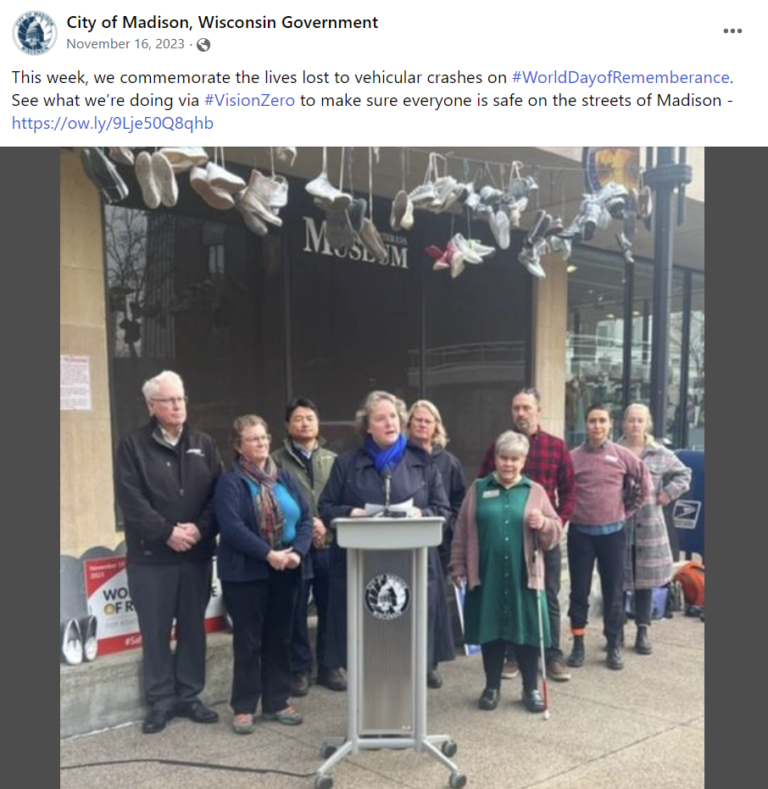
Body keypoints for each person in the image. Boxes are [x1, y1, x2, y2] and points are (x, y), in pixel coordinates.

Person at [318, 391, 455, 684]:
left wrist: (422, 514)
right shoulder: (346, 463)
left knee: (411, 637)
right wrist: (350, 512)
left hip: (413, 566)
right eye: (381, 418)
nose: (389, 423)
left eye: (393, 416)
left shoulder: (423, 461)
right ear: (367, 426)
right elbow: (326, 507)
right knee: (370, 640)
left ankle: (417, 676)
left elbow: (443, 509)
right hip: (363, 568)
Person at [115, 370, 222, 734]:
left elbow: (217, 495)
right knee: (155, 630)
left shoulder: (204, 443)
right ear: (151, 405)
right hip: (151, 559)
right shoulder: (132, 445)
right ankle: (160, 701)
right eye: (169, 400)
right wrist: (166, 533)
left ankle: (190, 696)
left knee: (193, 628)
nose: (178, 406)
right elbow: (131, 500)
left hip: (194, 555)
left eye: (181, 399)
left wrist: (201, 528)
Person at [214, 415, 313, 733]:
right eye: (253, 439)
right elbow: (232, 528)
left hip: (286, 570)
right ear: (238, 446)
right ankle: (244, 707)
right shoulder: (230, 481)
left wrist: (297, 552)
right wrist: (268, 554)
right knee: (248, 641)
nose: (262, 443)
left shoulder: (284, 477)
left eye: (265, 437)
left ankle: (277, 702)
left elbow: (307, 518)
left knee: (279, 638)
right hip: (246, 573)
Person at [451, 431, 562, 713]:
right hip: (486, 573)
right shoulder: (478, 489)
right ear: (496, 458)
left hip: (523, 575)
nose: (508, 464)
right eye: (503, 457)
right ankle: (491, 687)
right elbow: (462, 531)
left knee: (526, 632)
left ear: (523, 461)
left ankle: (530, 689)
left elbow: (556, 530)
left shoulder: (535, 492)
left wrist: (544, 525)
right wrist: (459, 566)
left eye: (514, 459)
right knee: (492, 633)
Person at [478, 387, 575, 682]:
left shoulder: (556, 447)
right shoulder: (500, 446)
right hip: (508, 540)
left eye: (526, 408)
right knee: (511, 594)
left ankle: (553, 653)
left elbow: (569, 491)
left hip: (544, 539)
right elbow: (483, 485)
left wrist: (553, 523)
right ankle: (511, 656)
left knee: (549, 596)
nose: (521, 413)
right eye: (516, 408)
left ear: (538, 410)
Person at [567, 404, 653, 671]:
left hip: (613, 534)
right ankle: (578, 645)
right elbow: (562, 490)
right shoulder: (573, 458)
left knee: (613, 592)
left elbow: (645, 482)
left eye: (602, 421)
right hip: (580, 534)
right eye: (592, 421)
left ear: (610, 424)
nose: (597, 426)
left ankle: (613, 645)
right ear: (586, 424)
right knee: (579, 593)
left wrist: (627, 510)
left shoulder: (621, 455)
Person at [271, 398, 346, 695]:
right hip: (294, 547)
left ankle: (330, 665)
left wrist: (325, 523)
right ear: (288, 425)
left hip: (329, 543)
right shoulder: (275, 460)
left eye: (310, 418)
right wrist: (308, 524)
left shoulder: (334, 459)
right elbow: (274, 502)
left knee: (331, 607)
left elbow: (342, 497)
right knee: (296, 608)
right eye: (298, 418)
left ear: (318, 423)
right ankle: (300, 668)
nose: (305, 423)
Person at [619, 403, 692, 655]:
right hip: (619, 526)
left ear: (647, 424)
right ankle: (615, 629)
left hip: (649, 526)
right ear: (623, 423)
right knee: (617, 578)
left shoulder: (660, 453)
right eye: (631, 420)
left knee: (644, 582)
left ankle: (642, 630)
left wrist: (667, 494)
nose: (635, 425)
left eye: (640, 420)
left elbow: (684, 474)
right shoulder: (614, 451)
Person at [406, 399, 467, 688]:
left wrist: (450, 529)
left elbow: (458, 502)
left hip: (438, 545)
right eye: (417, 419)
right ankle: (407, 660)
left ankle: (430, 663)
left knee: (432, 607)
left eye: (427, 420)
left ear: (436, 426)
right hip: (406, 546)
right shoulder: (399, 457)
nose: (422, 424)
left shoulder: (448, 462)